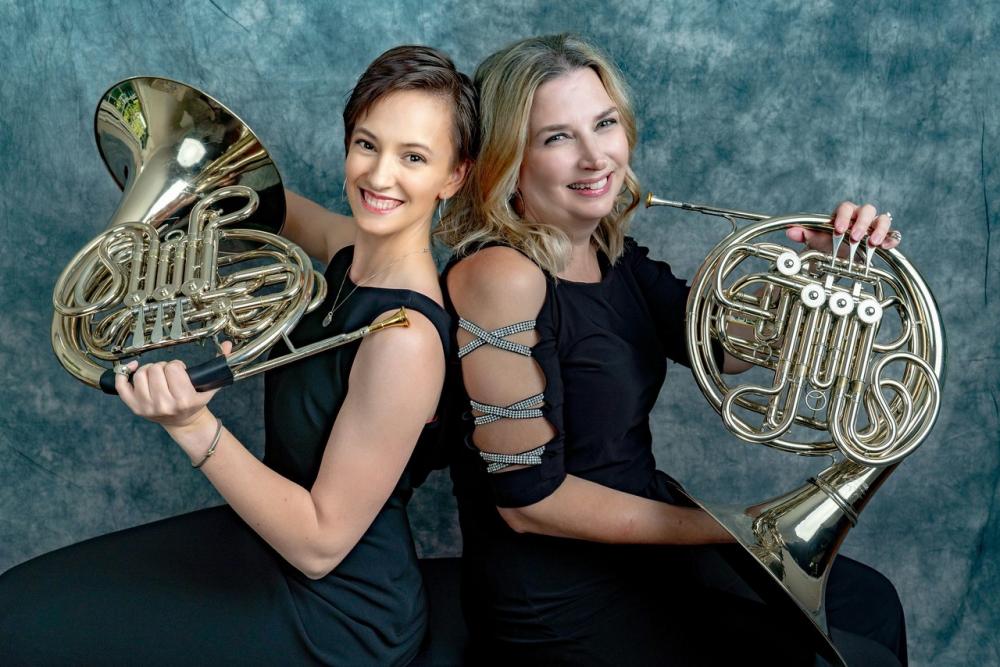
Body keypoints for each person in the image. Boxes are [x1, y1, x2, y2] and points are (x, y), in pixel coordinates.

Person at [436, 33, 907, 666]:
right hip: (560, 596)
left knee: (871, 603)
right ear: (505, 162)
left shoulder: (608, 252)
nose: (595, 156)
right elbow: (529, 504)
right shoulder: (499, 276)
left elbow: (724, 350)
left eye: (604, 124)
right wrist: (742, 533)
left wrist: (820, 273)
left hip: (646, 547)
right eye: (556, 137)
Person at [0, 45, 475, 666]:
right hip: (262, 540)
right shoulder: (347, 247)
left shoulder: (405, 338)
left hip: (338, 610)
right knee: (17, 607)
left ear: (454, 176)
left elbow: (321, 543)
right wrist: (167, 206)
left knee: (29, 635)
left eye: (414, 157)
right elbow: (249, 202)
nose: (379, 176)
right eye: (366, 144)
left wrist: (193, 426)